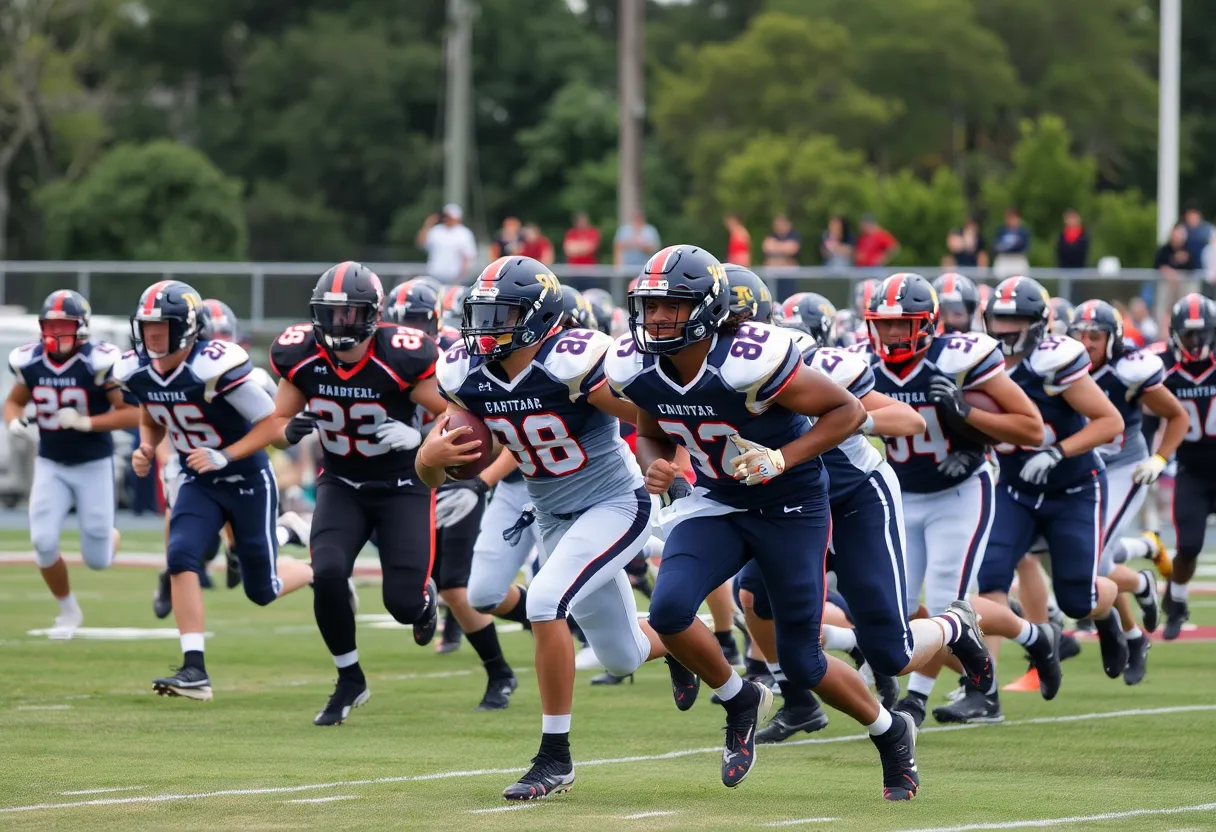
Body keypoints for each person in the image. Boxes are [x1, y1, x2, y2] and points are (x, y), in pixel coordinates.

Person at [606, 245, 919, 800]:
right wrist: (657, 458)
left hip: (789, 506)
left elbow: (846, 412)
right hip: (718, 500)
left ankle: (890, 731)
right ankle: (739, 697)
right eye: (649, 306)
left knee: (803, 663)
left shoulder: (750, 357)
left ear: (706, 306)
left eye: (671, 306)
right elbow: (650, 423)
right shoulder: (639, 363)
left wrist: (784, 457)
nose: (655, 318)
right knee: (671, 609)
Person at [417, 255, 694, 800]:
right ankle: (701, 661)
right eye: (484, 313)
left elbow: (659, 413)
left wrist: (671, 462)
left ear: (539, 316)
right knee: (621, 655)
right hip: (550, 513)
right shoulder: (464, 373)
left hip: (615, 502)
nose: (489, 326)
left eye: (504, 314)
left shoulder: (574, 359)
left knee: (544, 600)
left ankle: (554, 757)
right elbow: (431, 474)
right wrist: (429, 456)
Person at [740, 272, 996, 743]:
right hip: (789, 504)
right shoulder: (688, 367)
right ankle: (797, 700)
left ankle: (956, 627)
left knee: (890, 650)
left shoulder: (800, 358)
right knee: (753, 597)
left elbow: (910, 418)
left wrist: (850, 420)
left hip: (854, 497)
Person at [190, 262, 445, 725]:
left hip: (403, 485)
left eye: (349, 315)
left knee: (402, 605)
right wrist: (290, 430)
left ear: (372, 316)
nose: (338, 325)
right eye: (330, 314)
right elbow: (274, 427)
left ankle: (424, 600)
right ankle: (349, 678)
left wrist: (423, 440)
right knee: (326, 573)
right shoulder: (301, 354)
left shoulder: (404, 355)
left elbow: (455, 413)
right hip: (341, 482)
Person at [857, 275, 1049, 726]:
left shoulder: (960, 357)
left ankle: (971, 695)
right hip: (903, 493)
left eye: (901, 325)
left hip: (960, 492)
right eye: (882, 325)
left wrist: (967, 415)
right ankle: (1036, 638)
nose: (890, 335)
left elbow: (1031, 427)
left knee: (949, 600)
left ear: (926, 323)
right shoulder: (862, 365)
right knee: (896, 604)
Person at [940, 276, 1126, 724]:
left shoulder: (1052, 361)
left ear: (1038, 324)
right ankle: (983, 692)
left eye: (1016, 318)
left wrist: (1058, 451)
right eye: (999, 316)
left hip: (1073, 488)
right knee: (990, 585)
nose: (1005, 327)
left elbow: (1110, 421)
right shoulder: (977, 359)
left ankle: (1111, 614)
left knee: (1077, 600)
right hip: (1015, 489)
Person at [116, 281, 314, 701]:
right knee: (181, 556)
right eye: (147, 325)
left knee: (262, 590)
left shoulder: (215, 366)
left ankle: (316, 571)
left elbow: (271, 424)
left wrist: (226, 454)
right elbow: (152, 410)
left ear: (187, 329)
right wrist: (148, 445)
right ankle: (194, 670)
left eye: (162, 326)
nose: (151, 335)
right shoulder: (136, 369)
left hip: (245, 478)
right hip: (197, 477)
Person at [382, 278, 521, 699]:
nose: (413, 329)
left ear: (437, 320)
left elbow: (505, 428)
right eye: (404, 321)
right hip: (412, 477)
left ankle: (499, 674)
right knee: (438, 578)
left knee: (457, 585)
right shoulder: (383, 355)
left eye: (420, 320)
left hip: (460, 474)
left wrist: (477, 480)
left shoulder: (458, 356)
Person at [4, 290, 138, 639]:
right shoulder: (29, 361)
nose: (56, 334)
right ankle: (67, 610)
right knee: (43, 541)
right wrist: (14, 421)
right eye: (51, 326)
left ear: (81, 328)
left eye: (64, 326)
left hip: (94, 463)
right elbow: (14, 402)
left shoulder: (98, 362)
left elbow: (134, 413)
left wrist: (86, 422)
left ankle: (110, 537)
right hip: (51, 464)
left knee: (98, 559)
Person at [1069, 299, 1188, 683]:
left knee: (1095, 561)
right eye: (1079, 334)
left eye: (1095, 336)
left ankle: (1139, 590)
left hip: (1122, 467)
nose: (1085, 342)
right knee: (1079, 556)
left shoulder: (1129, 370)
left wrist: (1159, 458)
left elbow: (1177, 415)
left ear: (1113, 338)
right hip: (1081, 468)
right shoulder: (1060, 362)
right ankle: (1136, 628)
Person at [151, 299, 280, 618]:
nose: (220, 344)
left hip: (241, 465)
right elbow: (156, 417)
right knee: (179, 525)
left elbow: (277, 422)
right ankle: (170, 575)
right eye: (214, 335)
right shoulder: (179, 372)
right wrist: (165, 458)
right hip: (193, 463)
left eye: (226, 335)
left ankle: (237, 550)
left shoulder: (249, 376)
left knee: (259, 583)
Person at [1155, 294, 1216, 639]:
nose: (1197, 341)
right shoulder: (1160, 365)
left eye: (1203, 333)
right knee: (1189, 545)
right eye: (1189, 334)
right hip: (1191, 469)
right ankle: (1176, 600)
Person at [417, 204, 478, 284]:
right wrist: (427, 225)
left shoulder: (464, 233)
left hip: (454, 276)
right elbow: (421, 243)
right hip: (435, 274)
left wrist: (462, 274)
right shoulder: (436, 230)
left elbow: (468, 256)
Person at [992, 208, 1031, 279]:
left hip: (1017, 258)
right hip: (1005, 258)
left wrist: (1008, 247)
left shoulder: (1023, 232)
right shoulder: (1001, 231)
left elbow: (1024, 247)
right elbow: (995, 246)